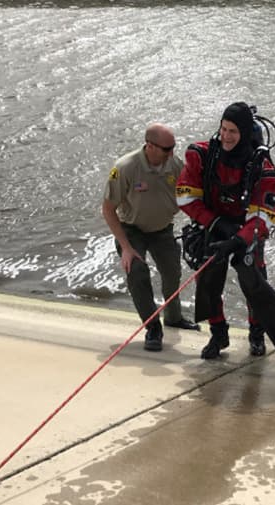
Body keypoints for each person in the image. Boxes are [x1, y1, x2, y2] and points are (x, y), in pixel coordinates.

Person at [176, 102, 275, 359]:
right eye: (223, 129)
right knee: (208, 285)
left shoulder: (263, 168)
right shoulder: (201, 155)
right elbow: (185, 196)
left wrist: (238, 239)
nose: (225, 136)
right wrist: (215, 224)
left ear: (244, 132)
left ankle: (256, 334)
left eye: (233, 131)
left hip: (247, 230)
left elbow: (264, 216)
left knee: (253, 284)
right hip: (211, 225)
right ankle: (218, 334)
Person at [102, 123, 200, 352]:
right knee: (137, 272)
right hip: (131, 229)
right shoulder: (125, 167)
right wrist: (125, 247)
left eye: (173, 147)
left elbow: (190, 196)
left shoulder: (175, 165)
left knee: (172, 272)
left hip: (162, 229)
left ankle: (174, 317)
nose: (171, 153)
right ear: (150, 146)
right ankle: (152, 327)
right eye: (167, 149)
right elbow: (107, 209)